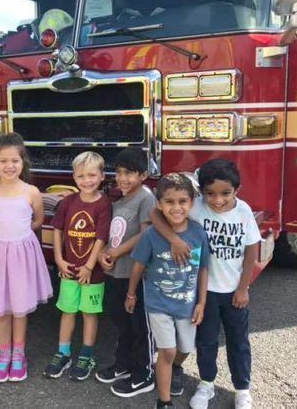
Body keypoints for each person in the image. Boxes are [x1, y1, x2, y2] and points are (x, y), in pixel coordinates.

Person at [152, 159, 260, 409]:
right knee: (206, 340)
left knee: (238, 341)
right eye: (210, 193)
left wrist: (243, 287)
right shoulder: (196, 207)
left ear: (237, 190)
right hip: (204, 292)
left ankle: (242, 388)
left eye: (225, 193)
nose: (218, 200)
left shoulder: (243, 211)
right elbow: (154, 214)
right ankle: (207, 384)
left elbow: (252, 249)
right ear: (201, 192)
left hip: (234, 291)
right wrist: (174, 240)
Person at [126, 173, 210, 409]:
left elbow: (203, 269)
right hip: (158, 305)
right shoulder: (152, 235)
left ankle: (173, 367)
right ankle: (164, 401)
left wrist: (201, 303)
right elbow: (138, 266)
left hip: (187, 305)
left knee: (184, 349)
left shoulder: (198, 234)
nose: (176, 207)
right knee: (168, 350)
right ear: (160, 205)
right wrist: (131, 294)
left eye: (182, 201)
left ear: (191, 203)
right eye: (169, 202)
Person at [0, 133, 52, 383]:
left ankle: (19, 354)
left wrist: (23, 236)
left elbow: (38, 220)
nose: (9, 166)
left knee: (19, 309)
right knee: (0, 311)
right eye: (4, 161)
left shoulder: (31, 192)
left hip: (21, 256)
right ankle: (3, 354)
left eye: (15, 161)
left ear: (23, 162)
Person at [43, 151, 112, 381]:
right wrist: (59, 259)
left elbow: (101, 237)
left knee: (89, 313)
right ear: (74, 177)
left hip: (92, 272)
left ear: (102, 176)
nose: (87, 180)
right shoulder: (67, 202)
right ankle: (63, 353)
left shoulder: (104, 205)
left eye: (92, 174)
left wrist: (90, 266)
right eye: (81, 175)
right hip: (68, 270)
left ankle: (86, 355)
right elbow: (57, 230)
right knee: (68, 310)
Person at [95, 148, 157, 398]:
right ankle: (124, 363)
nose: (122, 178)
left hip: (136, 273)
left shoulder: (145, 198)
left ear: (143, 175)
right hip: (116, 271)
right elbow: (114, 234)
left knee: (140, 324)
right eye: (119, 173)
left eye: (129, 174)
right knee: (120, 319)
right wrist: (104, 254)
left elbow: (146, 233)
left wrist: (117, 252)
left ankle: (145, 373)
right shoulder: (120, 199)